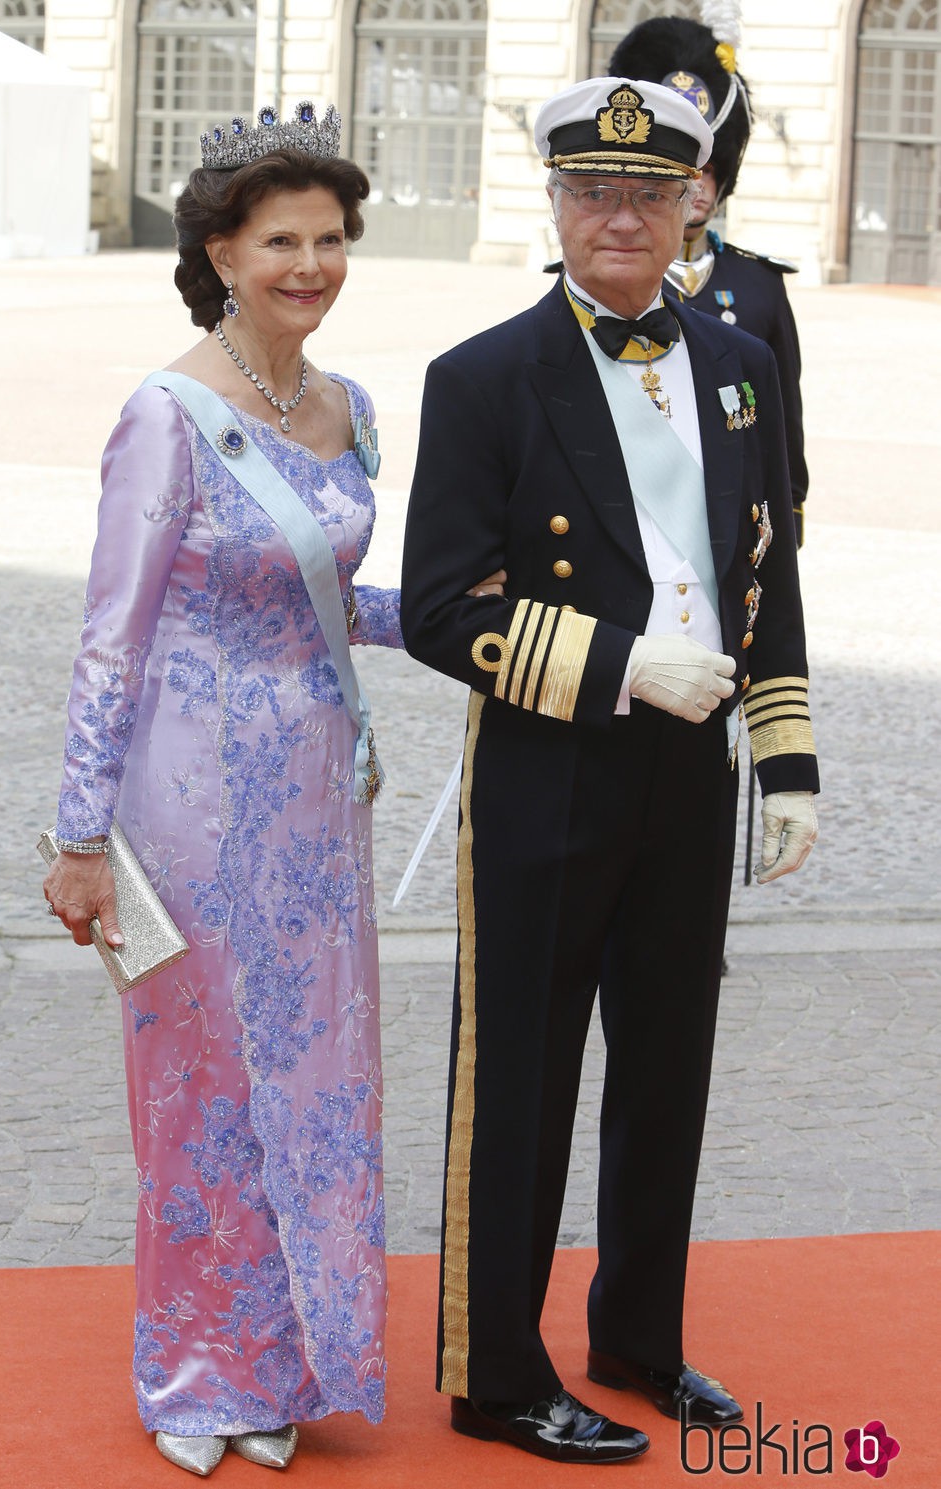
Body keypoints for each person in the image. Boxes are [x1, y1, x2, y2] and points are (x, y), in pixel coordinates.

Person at [42, 101, 501, 1478]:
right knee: (199, 1085)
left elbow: (330, 600)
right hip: (184, 802)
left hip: (314, 795)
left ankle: (286, 1355)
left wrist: (476, 616)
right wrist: (76, 837)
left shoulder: (350, 410)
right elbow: (110, 635)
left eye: (331, 237)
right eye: (281, 239)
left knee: (313, 1082)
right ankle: (193, 1365)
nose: (313, 262)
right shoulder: (167, 414)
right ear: (222, 253)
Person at [400, 77, 819, 1466]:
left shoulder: (739, 360)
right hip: (550, 762)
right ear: (557, 203)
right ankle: (494, 1369)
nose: (620, 215)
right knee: (517, 1072)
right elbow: (441, 608)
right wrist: (624, 664)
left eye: (648, 193)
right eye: (593, 191)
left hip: (692, 772)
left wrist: (788, 753)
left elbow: (766, 568)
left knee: (666, 1065)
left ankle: (639, 1333)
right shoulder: (481, 377)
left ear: (695, 201)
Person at [609, 16, 808, 546]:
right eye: (683, 178)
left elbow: (782, 411)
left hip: (731, 499)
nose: (697, 191)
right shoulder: (610, 275)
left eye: (709, 174)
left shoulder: (761, 283)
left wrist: (789, 506)